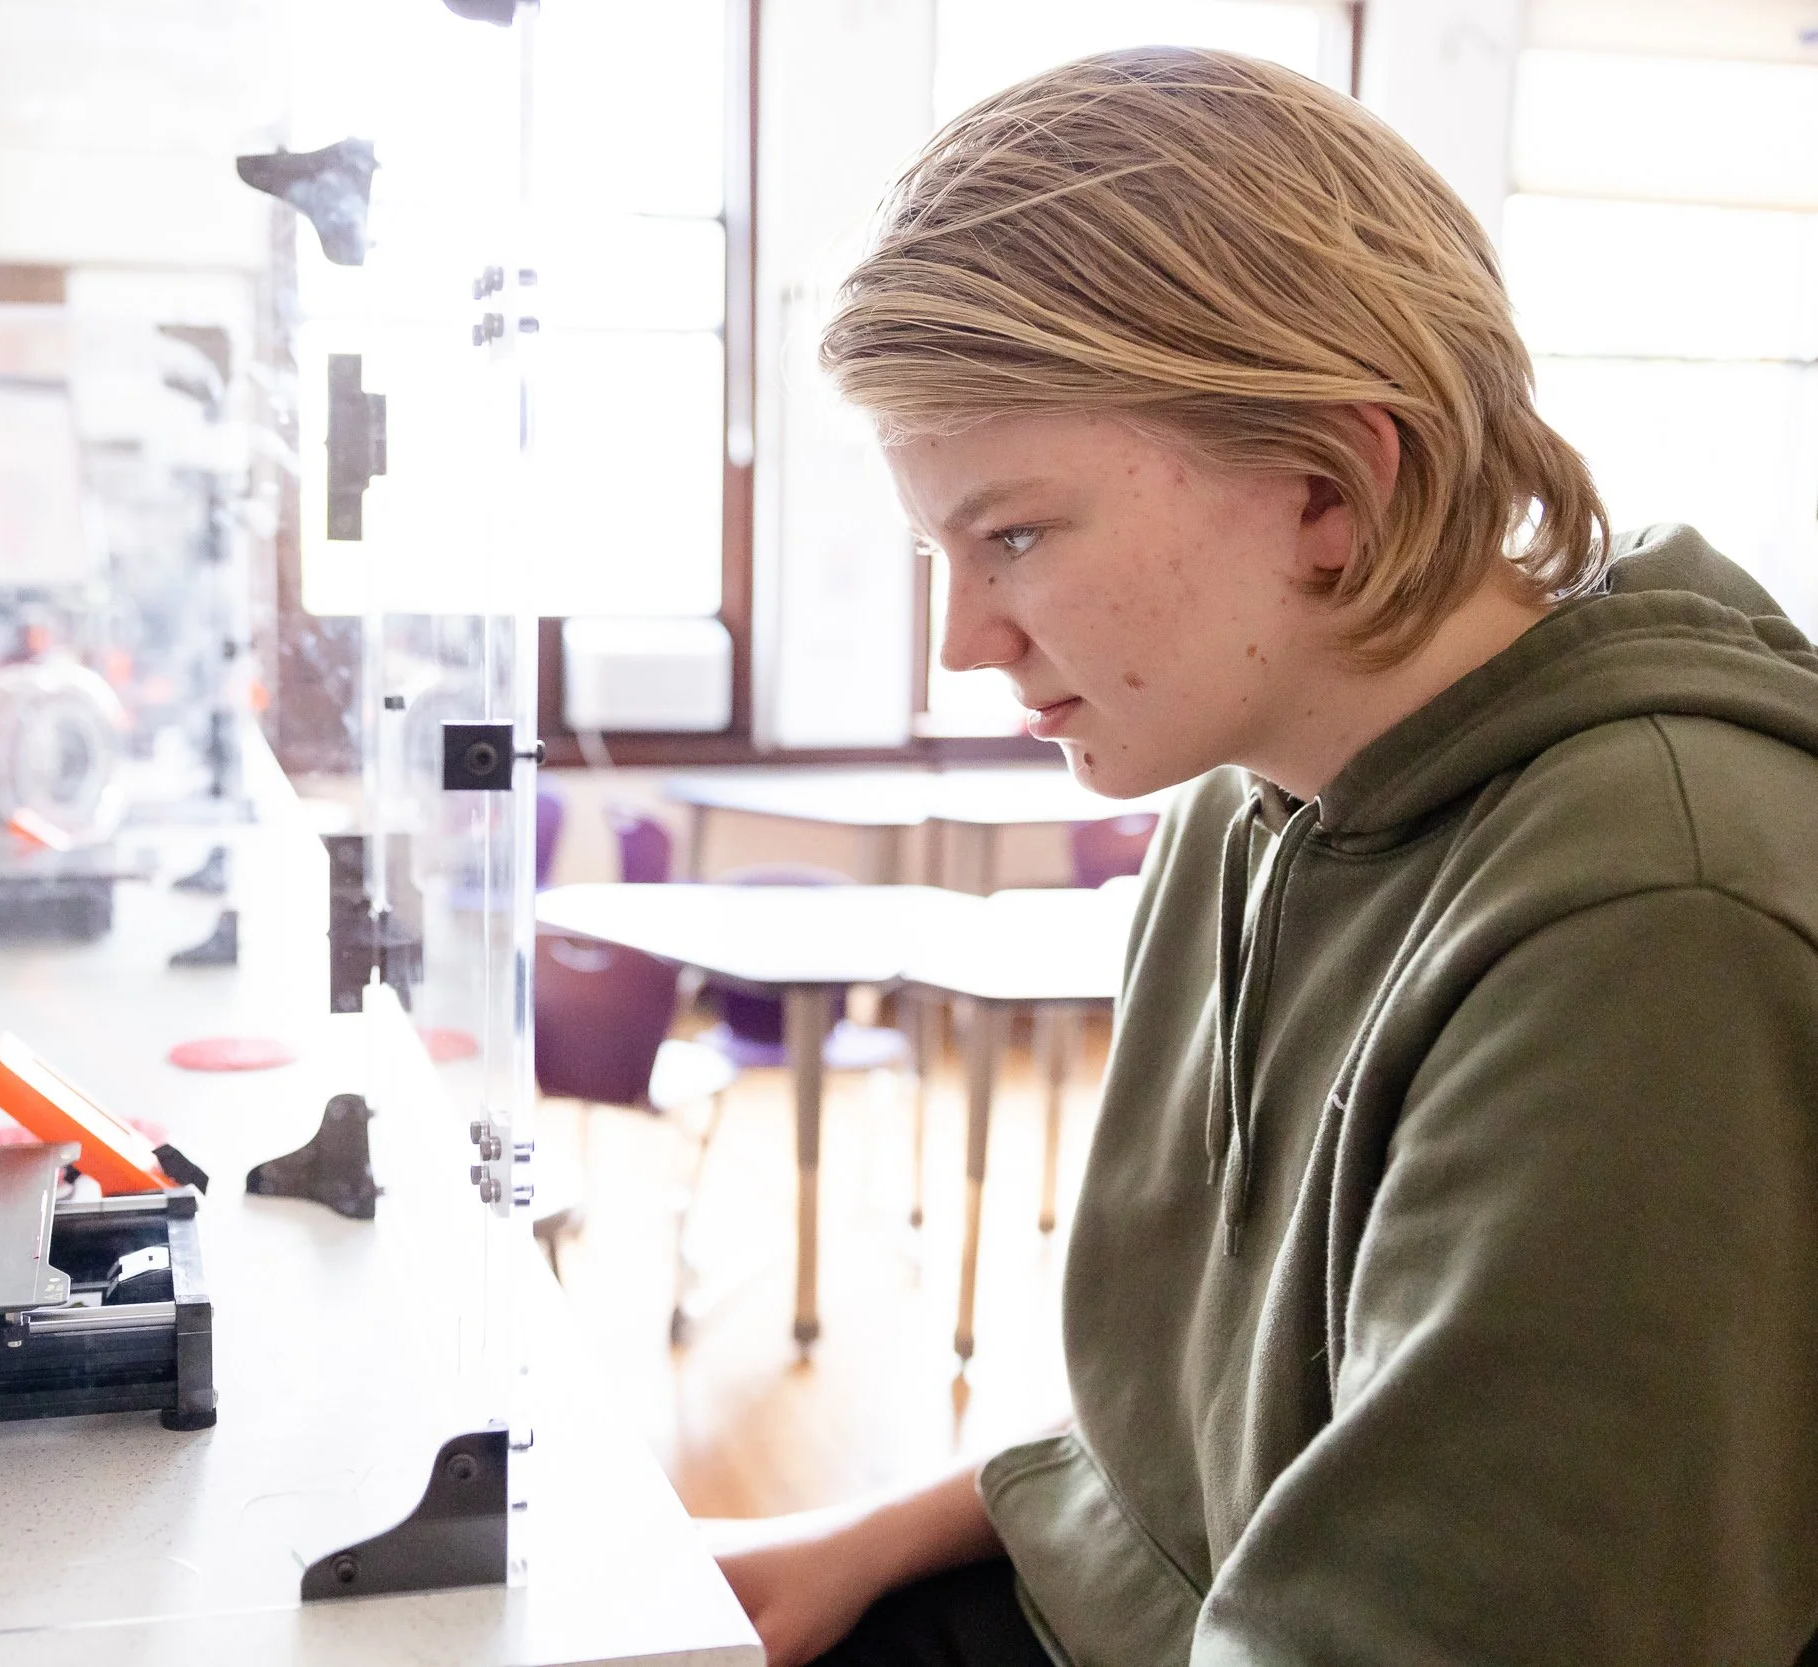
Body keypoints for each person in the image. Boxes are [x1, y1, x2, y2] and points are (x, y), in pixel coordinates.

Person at [710, 46, 1818, 1667]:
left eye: (1015, 534)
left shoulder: (1657, 917)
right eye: (938, 548)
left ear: (1328, 487)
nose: (965, 639)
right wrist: (869, 1538)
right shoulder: (1249, 789)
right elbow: (1200, 1447)